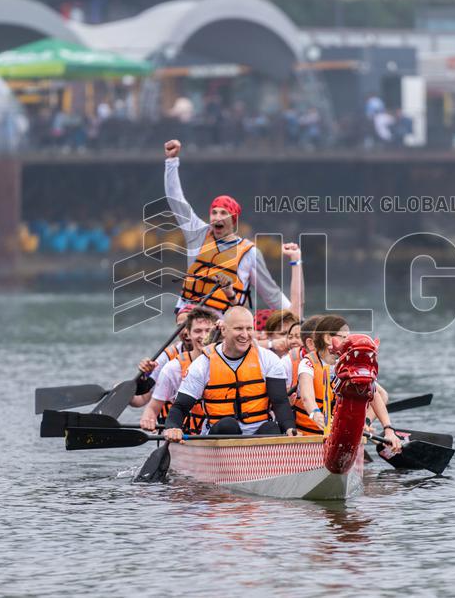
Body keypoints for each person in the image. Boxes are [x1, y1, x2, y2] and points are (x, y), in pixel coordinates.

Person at [163, 139, 290, 314]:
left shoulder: (250, 253)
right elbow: (175, 199)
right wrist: (171, 161)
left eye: (223, 213)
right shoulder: (197, 233)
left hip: (223, 325)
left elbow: (272, 295)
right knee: (191, 322)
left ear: (233, 220)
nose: (217, 217)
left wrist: (297, 322)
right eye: (214, 212)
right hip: (191, 322)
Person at [163, 306, 297, 439]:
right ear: (224, 330)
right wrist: (172, 428)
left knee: (272, 428)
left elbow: (280, 402)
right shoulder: (203, 364)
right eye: (238, 328)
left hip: (259, 435)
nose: (245, 335)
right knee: (229, 425)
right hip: (220, 434)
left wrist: (290, 428)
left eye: (249, 329)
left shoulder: (268, 359)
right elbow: (180, 407)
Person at [293, 315, 401, 451]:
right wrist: (315, 413)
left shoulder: (347, 364)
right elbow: (306, 397)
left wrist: (388, 430)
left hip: (340, 435)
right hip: (310, 436)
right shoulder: (308, 363)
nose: (348, 341)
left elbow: (375, 396)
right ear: (327, 338)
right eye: (344, 337)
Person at [138, 308, 217, 432]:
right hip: (183, 434)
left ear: (216, 332)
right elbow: (152, 409)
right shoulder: (172, 368)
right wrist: (149, 419)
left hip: (217, 433)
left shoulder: (229, 360)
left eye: (208, 330)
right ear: (189, 334)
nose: (204, 336)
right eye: (197, 331)